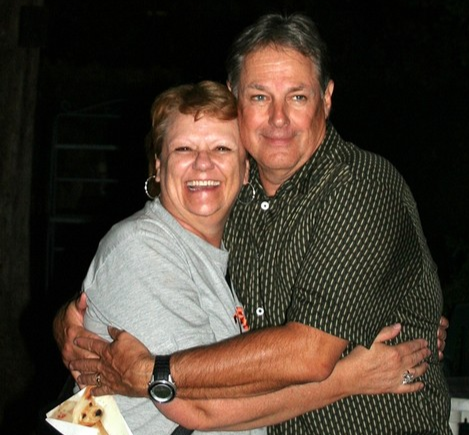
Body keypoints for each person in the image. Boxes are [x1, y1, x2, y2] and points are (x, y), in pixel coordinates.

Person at [55, 13, 451, 434]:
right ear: (235, 98)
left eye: (297, 97)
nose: (278, 118)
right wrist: (70, 320)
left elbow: (309, 354)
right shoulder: (230, 202)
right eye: (260, 97)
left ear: (326, 98)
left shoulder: (360, 188)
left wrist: (153, 373)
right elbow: (135, 266)